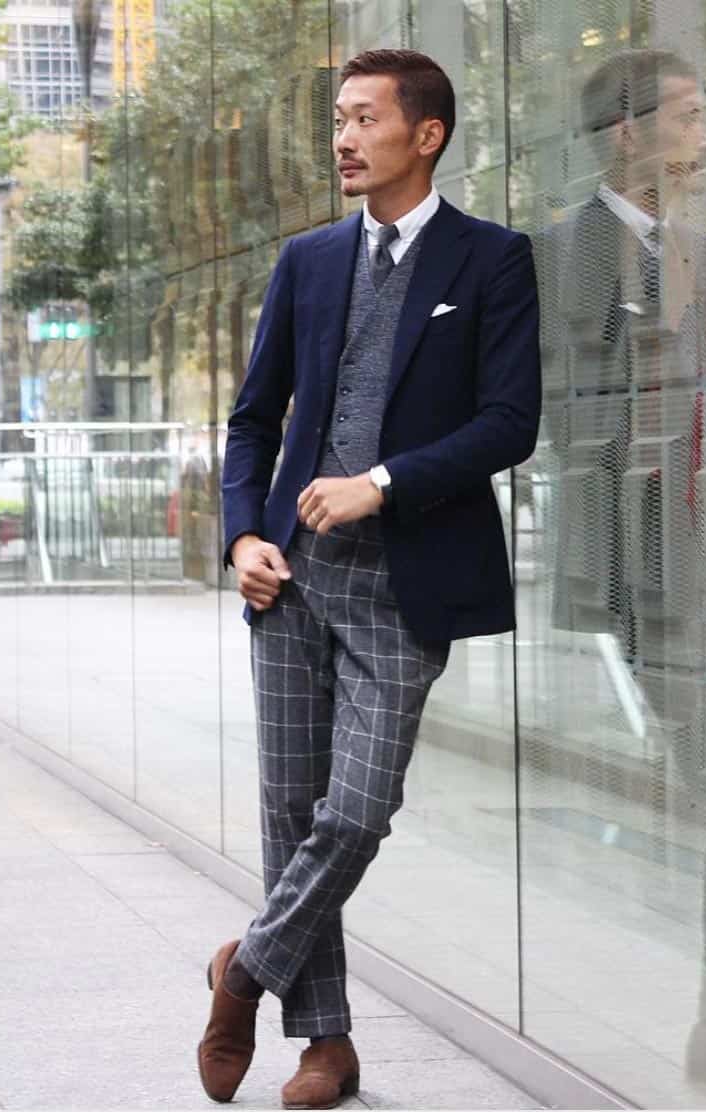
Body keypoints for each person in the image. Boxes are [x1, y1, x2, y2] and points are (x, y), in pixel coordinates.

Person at [199, 48, 541, 1109]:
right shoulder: (306, 260)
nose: (342, 138)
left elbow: (508, 423)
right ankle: (327, 1042)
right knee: (289, 808)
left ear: (424, 133)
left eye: (362, 119)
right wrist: (242, 535)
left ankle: (243, 966)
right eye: (336, 120)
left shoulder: (491, 259)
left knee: (355, 809)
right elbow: (255, 421)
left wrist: (380, 483)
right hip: (290, 582)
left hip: (406, 575)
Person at [537, 48, 706, 1095]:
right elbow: (577, 425)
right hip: (644, 568)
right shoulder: (566, 258)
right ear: (628, 133)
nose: (704, 138)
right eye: (689, 119)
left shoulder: (703, 252)